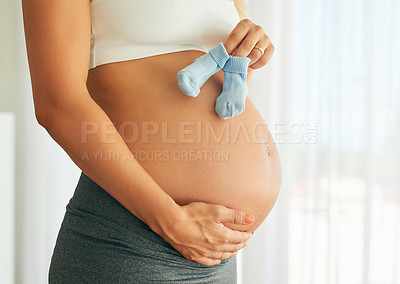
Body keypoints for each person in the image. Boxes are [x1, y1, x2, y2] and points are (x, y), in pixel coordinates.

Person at [21, 0, 281, 282]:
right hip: (133, 242)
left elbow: (212, 104)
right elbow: (57, 104)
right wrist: (172, 222)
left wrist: (246, 58)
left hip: (214, 255)